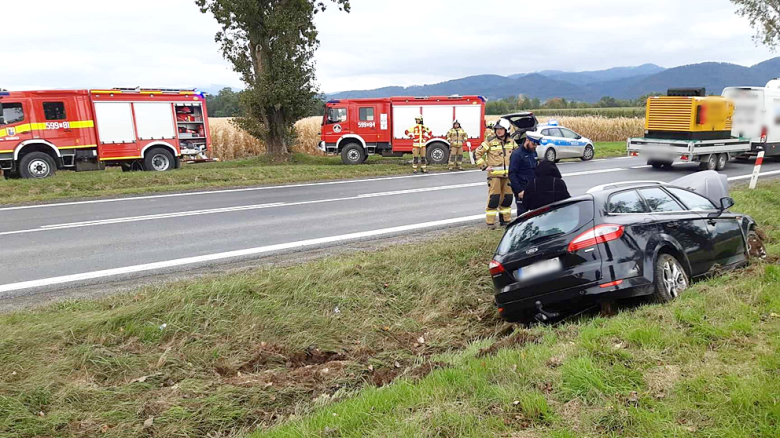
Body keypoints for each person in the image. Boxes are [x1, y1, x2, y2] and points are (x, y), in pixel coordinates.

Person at [474, 118, 518, 228]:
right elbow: (477, 154)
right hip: (494, 177)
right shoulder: (490, 141)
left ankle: (506, 220)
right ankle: (490, 222)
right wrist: (484, 166)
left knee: (507, 198)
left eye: (501, 129)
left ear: (506, 130)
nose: (498, 131)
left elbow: (518, 155)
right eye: (497, 129)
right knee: (494, 198)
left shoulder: (512, 142)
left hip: (508, 176)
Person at [509, 131, 541, 216]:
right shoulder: (517, 154)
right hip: (522, 190)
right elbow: (512, 174)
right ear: (527, 140)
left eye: (536, 145)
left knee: (535, 214)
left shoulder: (533, 152)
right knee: (523, 215)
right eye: (533, 144)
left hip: (533, 188)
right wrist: (519, 190)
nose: (535, 147)